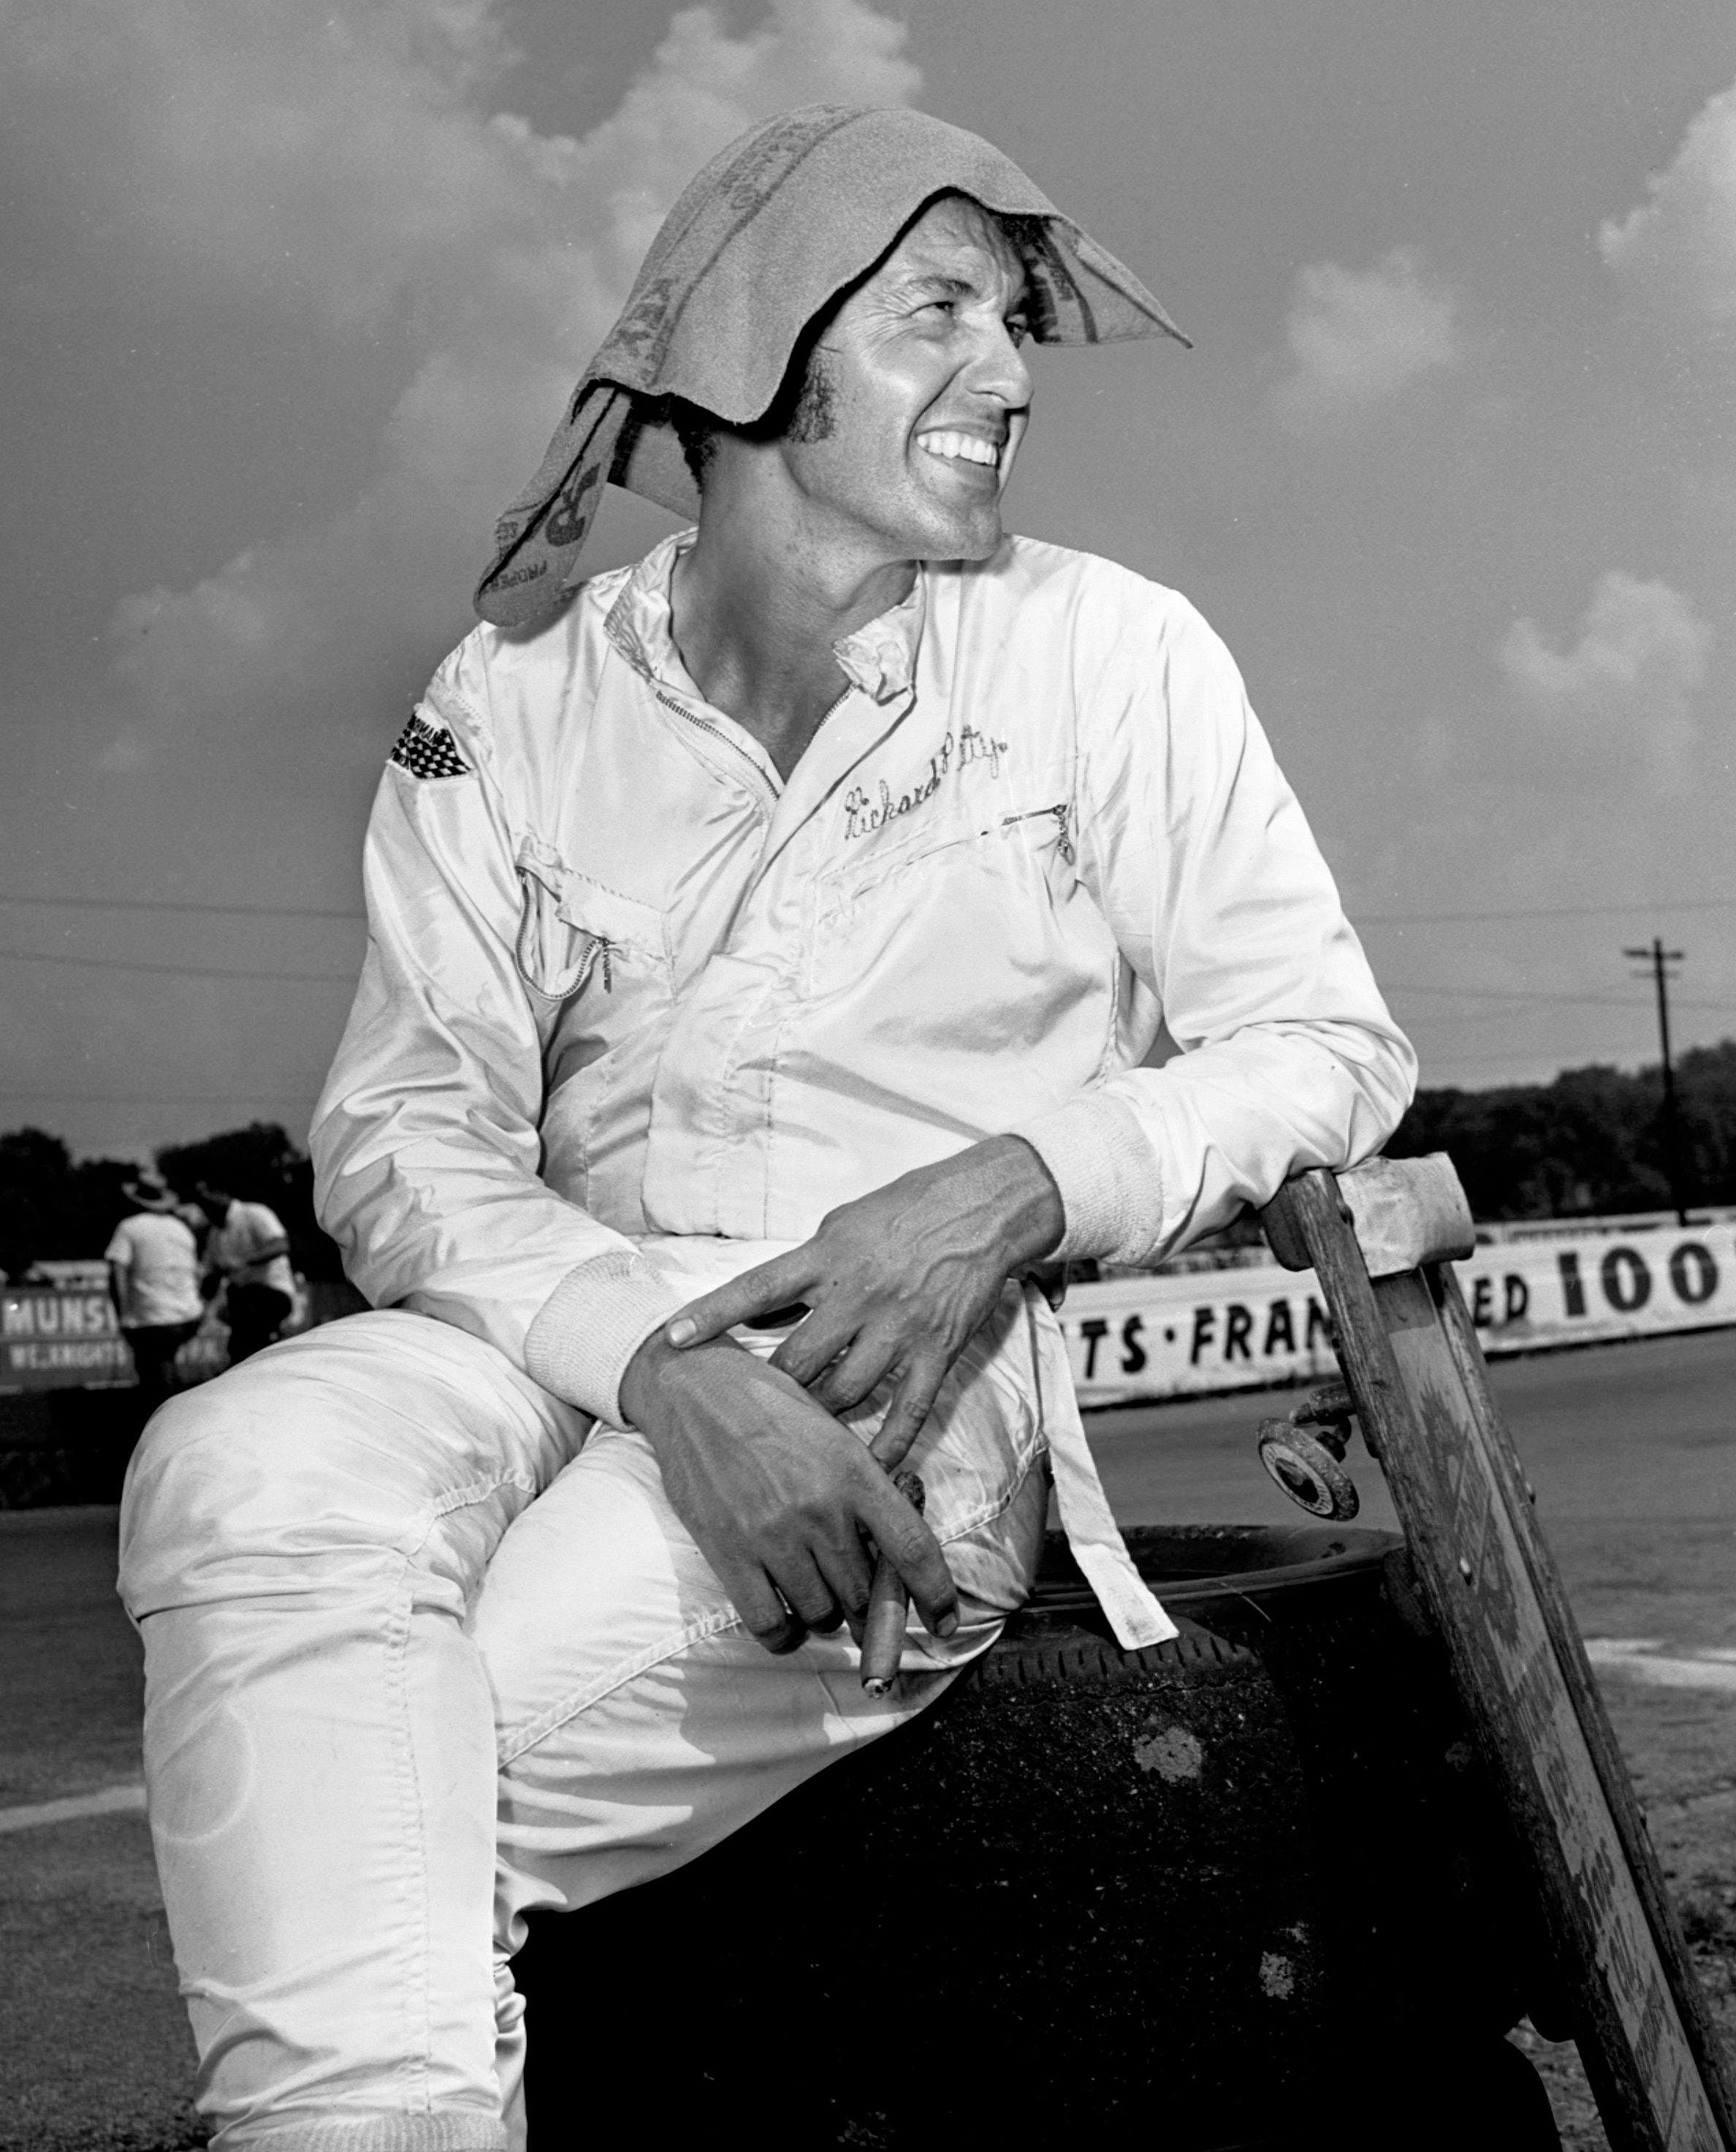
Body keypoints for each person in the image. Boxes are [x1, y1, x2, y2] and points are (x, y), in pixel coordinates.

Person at [118, 106, 1415, 2151]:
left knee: (357, 1817)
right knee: (231, 1455)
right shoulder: (506, 694)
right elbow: (401, 1127)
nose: (1005, 376)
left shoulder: (1108, 654)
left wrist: (1008, 1189)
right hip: (551, 1340)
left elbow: (1324, 1040)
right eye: (936, 318)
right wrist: (652, 1358)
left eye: (1010, 322)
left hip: (879, 1388)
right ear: (758, 364)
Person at [104, 1173, 203, 1416]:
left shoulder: (129, 1228)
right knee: (165, 1360)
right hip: (188, 1315)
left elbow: (117, 1271)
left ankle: (166, 1417)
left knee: (152, 1366)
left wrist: (124, 1314)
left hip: (152, 1318)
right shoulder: (181, 1229)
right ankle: (174, 1408)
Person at [194, 1182, 296, 1362]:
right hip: (242, 1301)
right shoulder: (215, 1235)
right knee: (239, 1339)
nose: (203, 1207)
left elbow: (280, 1244)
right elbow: (211, 1277)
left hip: (272, 1292)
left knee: (247, 1330)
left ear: (220, 1193)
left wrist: (244, 1262)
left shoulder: (254, 1213)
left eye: (205, 1200)